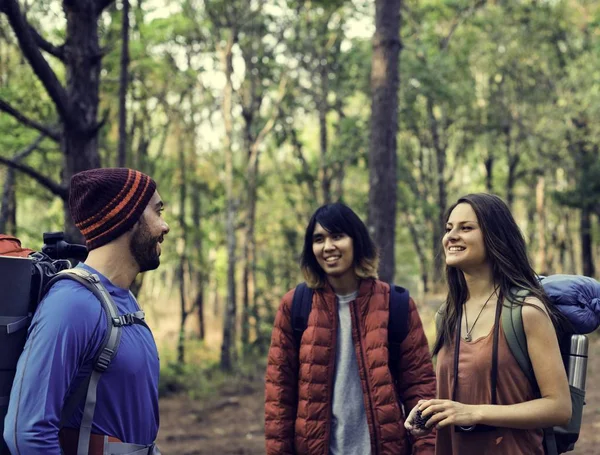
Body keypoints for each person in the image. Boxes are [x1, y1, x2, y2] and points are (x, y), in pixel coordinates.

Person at [4, 168, 170, 455]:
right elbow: (26, 433)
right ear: (127, 217)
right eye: (157, 212)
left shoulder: (123, 300)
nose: (164, 226)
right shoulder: (71, 304)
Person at [404, 193, 572, 455]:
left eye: (466, 228)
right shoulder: (447, 315)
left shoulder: (526, 311)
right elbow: (466, 391)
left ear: (495, 237)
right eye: (449, 229)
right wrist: (433, 411)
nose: (451, 236)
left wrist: (474, 413)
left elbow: (560, 408)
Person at [265, 202, 436, 455]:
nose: (328, 247)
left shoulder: (396, 305)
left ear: (356, 241)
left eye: (337, 236)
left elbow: (420, 389)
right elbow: (279, 399)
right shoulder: (296, 306)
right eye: (319, 239)